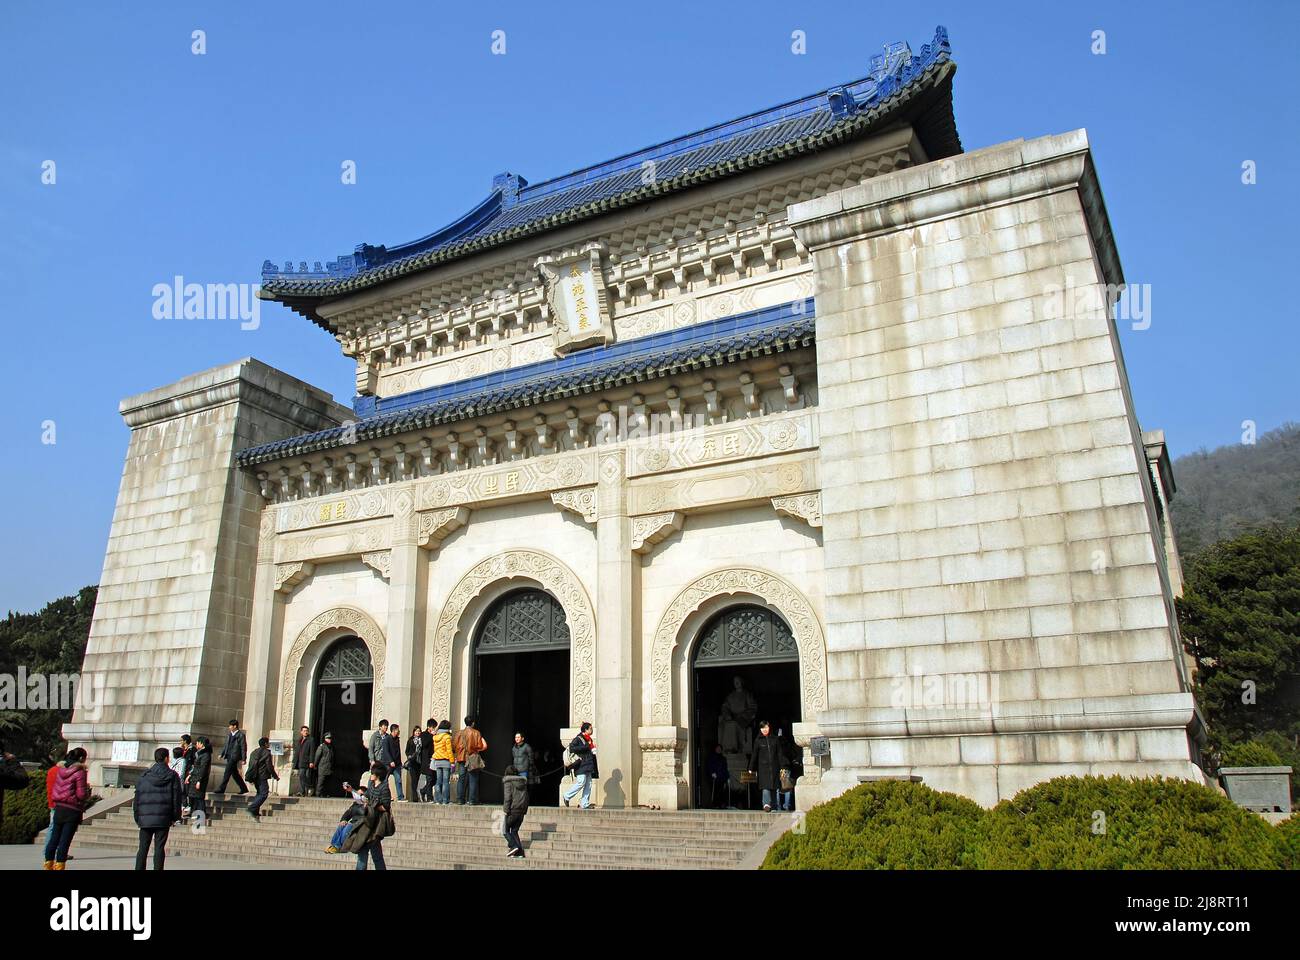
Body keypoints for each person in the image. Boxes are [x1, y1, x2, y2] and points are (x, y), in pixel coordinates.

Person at [133, 747, 182, 870]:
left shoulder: (144, 776)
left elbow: (137, 798)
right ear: (166, 758)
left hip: (145, 818)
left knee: (143, 848)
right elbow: (176, 798)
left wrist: (137, 817)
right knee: (159, 848)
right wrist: (175, 817)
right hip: (163, 817)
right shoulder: (172, 776)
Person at [344, 763, 393, 870]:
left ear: (377, 775)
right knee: (363, 852)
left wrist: (372, 806)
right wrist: (352, 790)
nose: (371, 775)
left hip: (376, 824)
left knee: (376, 855)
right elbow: (364, 797)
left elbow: (386, 806)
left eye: (372, 773)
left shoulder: (384, 788)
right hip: (365, 823)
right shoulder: (371, 784)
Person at [47, 748, 90, 869]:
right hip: (72, 809)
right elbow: (81, 794)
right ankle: (59, 866)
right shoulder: (80, 772)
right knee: (64, 841)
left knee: (54, 839)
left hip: (59, 807)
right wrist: (86, 793)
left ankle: (48, 865)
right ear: (81, 758)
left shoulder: (61, 769)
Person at [747, 720, 789, 812]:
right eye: (762, 728)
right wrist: (750, 768)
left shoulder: (775, 739)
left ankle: (773, 806)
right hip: (763, 768)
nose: (764, 730)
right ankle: (766, 804)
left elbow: (779, 754)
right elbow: (754, 755)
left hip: (774, 767)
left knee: (774, 787)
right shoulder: (758, 741)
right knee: (765, 787)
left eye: (766, 727)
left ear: (769, 728)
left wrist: (783, 766)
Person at [562, 723, 598, 809]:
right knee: (581, 782)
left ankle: (584, 803)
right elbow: (571, 748)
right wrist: (585, 747)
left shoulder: (589, 739)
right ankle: (566, 796)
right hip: (581, 764)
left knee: (588, 784)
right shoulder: (579, 738)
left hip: (588, 764)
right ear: (585, 730)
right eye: (590, 728)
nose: (591, 730)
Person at [453, 717, 487, 805]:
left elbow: (454, 746)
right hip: (472, 757)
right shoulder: (476, 733)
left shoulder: (459, 733)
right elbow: (479, 746)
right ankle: (472, 800)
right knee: (473, 779)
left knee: (461, 778)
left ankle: (460, 799)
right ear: (473, 723)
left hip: (461, 758)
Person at [246, 736, 279, 818]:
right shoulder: (267, 753)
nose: (269, 744)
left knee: (259, 793)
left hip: (254, 775)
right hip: (262, 775)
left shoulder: (253, 752)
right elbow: (269, 766)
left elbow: (250, 764)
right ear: (265, 744)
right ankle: (252, 807)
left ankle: (255, 811)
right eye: (268, 743)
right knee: (264, 793)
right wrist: (275, 776)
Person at [501, 764, 529, 858]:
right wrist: (524, 810)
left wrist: (505, 810)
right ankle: (519, 852)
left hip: (513, 810)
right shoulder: (523, 782)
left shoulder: (508, 782)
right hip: (521, 811)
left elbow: (507, 797)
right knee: (514, 831)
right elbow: (527, 797)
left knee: (505, 830)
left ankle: (513, 846)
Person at [216, 719, 248, 795]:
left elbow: (243, 747)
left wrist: (244, 758)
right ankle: (243, 788)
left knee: (227, 772)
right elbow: (226, 745)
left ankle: (222, 788)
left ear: (235, 726)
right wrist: (222, 754)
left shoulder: (240, 735)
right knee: (234, 774)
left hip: (235, 756)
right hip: (229, 755)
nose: (229, 727)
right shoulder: (229, 734)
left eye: (230, 726)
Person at [187, 737, 213, 823]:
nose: (196, 744)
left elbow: (203, 768)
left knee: (199, 797)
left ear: (202, 744)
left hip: (200, 779)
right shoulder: (200, 754)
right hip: (195, 777)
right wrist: (190, 776)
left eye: (198, 743)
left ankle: (201, 815)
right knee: (195, 797)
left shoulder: (206, 755)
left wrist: (199, 780)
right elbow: (195, 767)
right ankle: (195, 814)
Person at [432, 720, 454, 804]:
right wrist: (452, 762)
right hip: (446, 760)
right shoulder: (447, 737)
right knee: (445, 781)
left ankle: (438, 799)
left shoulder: (435, 737)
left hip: (437, 760)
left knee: (438, 781)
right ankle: (445, 800)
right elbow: (449, 750)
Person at [382, 723, 405, 802]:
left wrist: (400, 762)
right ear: (394, 730)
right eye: (397, 730)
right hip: (388, 764)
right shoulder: (387, 739)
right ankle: (386, 796)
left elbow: (398, 752)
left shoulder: (397, 739)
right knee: (385, 780)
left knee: (398, 780)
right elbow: (386, 751)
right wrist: (390, 761)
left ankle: (400, 797)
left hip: (397, 764)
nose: (399, 731)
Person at [293, 725, 317, 797]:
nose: (305, 732)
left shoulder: (311, 740)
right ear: (301, 732)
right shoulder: (299, 740)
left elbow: (312, 751)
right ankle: (303, 792)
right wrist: (294, 761)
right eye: (304, 731)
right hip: (299, 761)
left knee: (302, 775)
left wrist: (311, 762)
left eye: (306, 731)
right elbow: (297, 751)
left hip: (306, 761)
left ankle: (310, 786)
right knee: (301, 777)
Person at [706, 743, 731, 808]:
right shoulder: (711, 757)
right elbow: (709, 766)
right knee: (715, 792)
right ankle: (715, 804)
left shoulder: (723, 758)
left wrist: (728, 777)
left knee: (722, 792)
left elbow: (725, 768)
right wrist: (712, 773)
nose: (719, 750)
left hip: (722, 777)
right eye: (718, 748)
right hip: (715, 777)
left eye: (720, 749)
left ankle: (722, 804)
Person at [404, 725, 423, 803]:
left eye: (419, 731)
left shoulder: (422, 740)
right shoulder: (411, 740)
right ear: (414, 732)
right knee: (413, 780)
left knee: (417, 779)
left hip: (419, 762)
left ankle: (416, 796)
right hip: (412, 762)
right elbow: (407, 750)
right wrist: (409, 755)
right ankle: (414, 797)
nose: (417, 732)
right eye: (416, 731)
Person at [417, 721, 435, 802]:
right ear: (429, 727)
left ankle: (423, 790)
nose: (434, 729)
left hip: (433, 759)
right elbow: (424, 744)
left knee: (434, 779)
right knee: (429, 778)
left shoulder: (434, 735)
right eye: (433, 727)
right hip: (426, 760)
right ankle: (429, 797)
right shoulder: (424, 735)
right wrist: (431, 735)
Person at [315, 733, 336, 799]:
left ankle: (325, 793)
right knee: (321, 781)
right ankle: (318, 793)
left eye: (330, 738)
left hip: (329, 767)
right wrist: (315, 764)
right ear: (325, 739)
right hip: (323, 766)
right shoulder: (322, 746)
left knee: (327, 782)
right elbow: (317, 756)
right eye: (328, 738)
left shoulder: (331, 747)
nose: (329, 740)